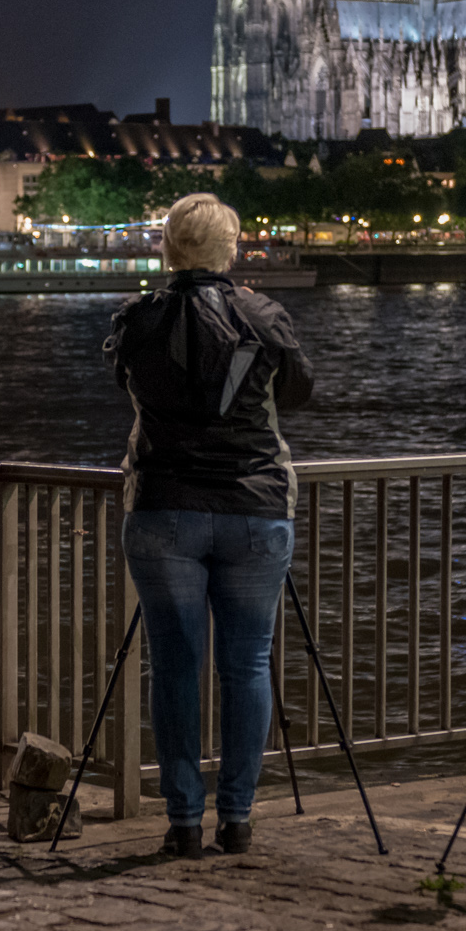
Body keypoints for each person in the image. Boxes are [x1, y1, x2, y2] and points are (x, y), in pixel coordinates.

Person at [104, 194, 312, 857]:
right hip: (254, 506)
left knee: (174, 664)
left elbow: (125, 381)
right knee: (247, 662)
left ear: (166, 248)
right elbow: (302, 390)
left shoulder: (140, 318)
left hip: (164, 506)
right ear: (232, 249)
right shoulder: (263, 315)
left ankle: (183, 820)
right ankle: (240, 816)